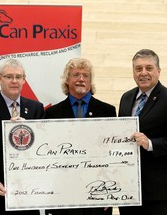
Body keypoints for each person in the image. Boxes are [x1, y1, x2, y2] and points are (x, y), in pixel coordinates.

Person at [118, 49, 167, 215]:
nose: (143, 73)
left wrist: (151, 144)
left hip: (159, 190)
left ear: (158, 71)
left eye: (149, 68)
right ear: (133, 72)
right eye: (138, 69)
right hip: (128, 188)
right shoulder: (126, 97)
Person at [0, 59, 44, 215]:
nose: (14, 81)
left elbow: (43, 148)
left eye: (18, 77)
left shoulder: (36, 108)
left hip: (28, 194)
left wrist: (31, 130)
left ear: (24, 80)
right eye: (9, 76)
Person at [44, 58, 115, 215]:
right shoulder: (51, 113)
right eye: (76, 75)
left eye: (86, 75)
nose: (81, 79)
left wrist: (110, 191)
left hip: (98, 193)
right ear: (67, 80)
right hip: (62, 194)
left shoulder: (108, 111)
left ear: (91, 81)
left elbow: (111, 155)